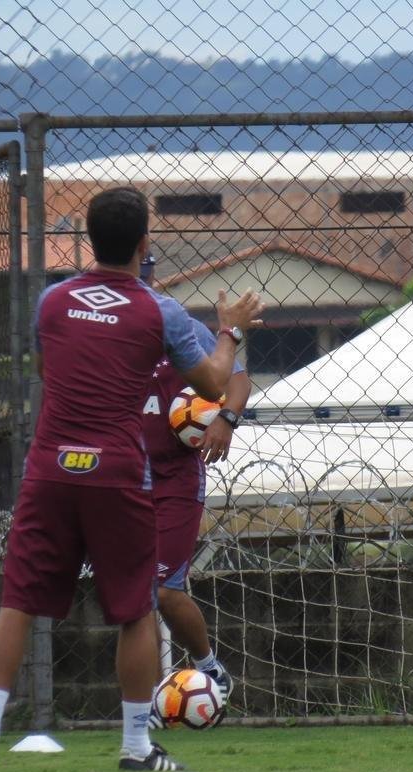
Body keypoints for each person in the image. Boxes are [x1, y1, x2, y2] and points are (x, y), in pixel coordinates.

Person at [0, 187, 264, 772]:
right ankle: (136, 747)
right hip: (118, 470)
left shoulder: (51, 302)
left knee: (17, 603)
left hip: (49, 468)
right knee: (137, 610)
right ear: (145, 244)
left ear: (90, 240)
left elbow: (48, 368)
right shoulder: (159, 310)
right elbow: (217, 385)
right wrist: (230, 331)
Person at [139, 254, 250, 716]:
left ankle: (209, 667)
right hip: (121, 475)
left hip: (175, 476)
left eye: (146, 273)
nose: (142, 282)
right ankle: (141, 706)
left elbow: (238, 380)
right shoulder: (111, 330)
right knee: (131, 594)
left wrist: (225, 417)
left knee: (164, 590)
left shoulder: (179, 326)